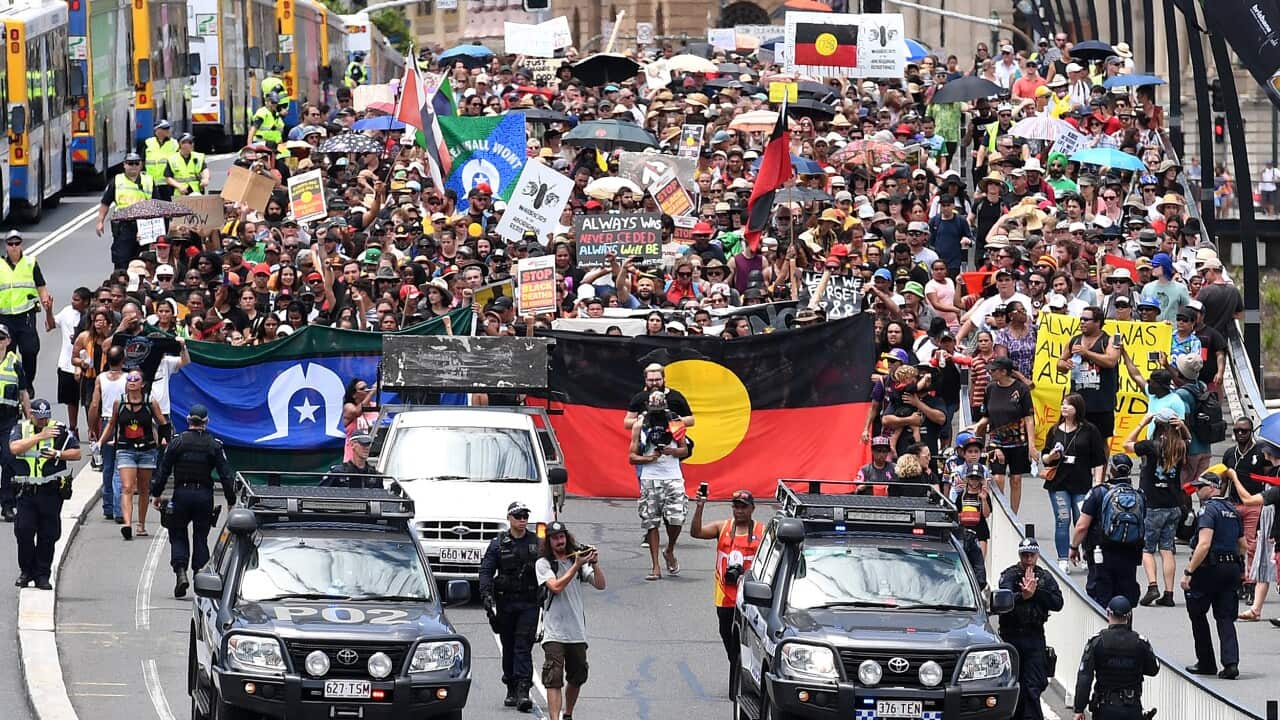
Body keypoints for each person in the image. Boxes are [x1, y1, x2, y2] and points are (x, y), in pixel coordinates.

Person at [149, 403, 235, 598]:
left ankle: (180, 572)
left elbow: (163, 470)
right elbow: (225, 475)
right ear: (206, 422)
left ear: (188, 420)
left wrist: (156, 493)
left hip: (181, 494)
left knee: (177, 533)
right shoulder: (214, 445)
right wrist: (231, 500)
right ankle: (198, 576)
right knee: (200, 536)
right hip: (204, 495)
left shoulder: (177, 442)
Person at [690, 487, 763, 695]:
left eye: (743, 507)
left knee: (745, 642)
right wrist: (699, 507)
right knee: (729, 640)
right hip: (725, 598)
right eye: (736, 506)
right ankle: (740, 678)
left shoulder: (761, 531)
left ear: (752, 509)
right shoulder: (722, 527)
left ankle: (738, 689)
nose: (739, 511)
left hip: (750, 599)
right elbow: (696, 533)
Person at [536, 521, 606, 720]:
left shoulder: (577, 560)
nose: (560, 541)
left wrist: (594, 564)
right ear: (548, 542)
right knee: (553, 678)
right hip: (554, 632)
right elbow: (556, 587)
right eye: (555, 538)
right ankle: (554, 718)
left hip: (576, 632)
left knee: (577, 676)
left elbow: (600, 585)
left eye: (562, 537)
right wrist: (576, 566)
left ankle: (568, 714)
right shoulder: (543, 564)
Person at [478, 500, 542, 712]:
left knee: (523, 645)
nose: (523, 520)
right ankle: (511, 686)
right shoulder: (498, 544)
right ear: (509, 518)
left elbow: (551, 565)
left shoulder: (536, 543)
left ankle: (524, 689)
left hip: (529, 602)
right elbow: (486, 571)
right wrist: (486, 595)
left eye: (525, 516)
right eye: (518, 516)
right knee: (509, 646)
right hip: (506, 604)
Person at [1181, 470, 1245, 679]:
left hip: (1209, 569)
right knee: (1225, 617)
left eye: (1200, 487)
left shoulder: (1208, 511)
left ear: (1212, 488)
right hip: (1232, 568)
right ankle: (1231, 663)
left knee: (1197, 613)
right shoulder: (1233, 510)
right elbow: (1243, 545)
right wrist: (1240, 567)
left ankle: (1206, 662)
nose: (1197, 491)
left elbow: (1204, 544)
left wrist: (1189, 571)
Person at [10, 399, 80, 589]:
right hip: (26, 491)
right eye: (39, 417)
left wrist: (58, 454)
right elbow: (14, 448)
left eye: (46, 417)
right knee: (24, 531)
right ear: (30, 414)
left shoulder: (59, 429)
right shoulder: (21, 429)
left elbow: (76, 453)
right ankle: (26, 571)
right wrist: (40, 437)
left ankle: (42, 575)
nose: (43, 421)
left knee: (48, 535)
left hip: (50, 492)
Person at [1123, 410, 1187, 607]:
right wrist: (1182, 427)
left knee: (1148, 549)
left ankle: (1152, 585)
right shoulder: (1181, 446)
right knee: (1167, 548)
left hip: (1152, 503)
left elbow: (1127, 444)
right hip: (1174, 503)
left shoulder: (1151, 446)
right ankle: (1169, 593)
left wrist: (1142, 423)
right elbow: (1189, 438)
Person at [629, 390, 692, 580]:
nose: (657, 414)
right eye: (653, 410)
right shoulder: (640, 424)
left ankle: (669, 549)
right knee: (651, 521)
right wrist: (649, 457)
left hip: (673, 476)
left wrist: (671, 452)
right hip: (650, 477)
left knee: (677, 519)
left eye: (659, 410)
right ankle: (655, 566)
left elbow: (685, 450)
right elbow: (631, 457)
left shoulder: (674, 421)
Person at [1041, 393, 1107, 573]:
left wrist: (1098, 483)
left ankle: (1085, 554)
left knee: (1082, 520)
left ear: (1077, 408)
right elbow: (1044, 458)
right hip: (1058, 483)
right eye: (1063, 404)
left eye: (1068, 405)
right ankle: (1062, 558)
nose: (1064, 408)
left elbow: (1099, 459)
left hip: (1082, 484)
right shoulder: (1054, 430)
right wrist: (1051, 456)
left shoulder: (1090, 430)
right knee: (1062, 519)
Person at [998, 537, 1063, 720]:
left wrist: (1037, 593)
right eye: (1025, 555)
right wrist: (1023, 596)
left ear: (1037, 556)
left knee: (1033, 686)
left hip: (1034, 637)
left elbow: (1058, 602)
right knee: (1012, 685)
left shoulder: (1044, 577)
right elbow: (1004, 599)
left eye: (1031, 555)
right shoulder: (1010, 575)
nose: (1028, 559)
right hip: (1012, 637)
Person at [98, 369, 167, 540]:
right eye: (129, 379)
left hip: (147, 449)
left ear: (142, 383)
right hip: (125, 449)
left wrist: (165, 440)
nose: (132, 381)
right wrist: (100, 442)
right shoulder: (119, 403)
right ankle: (127, 524)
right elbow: (112, 423)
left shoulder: (150, 402)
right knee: (127, 487)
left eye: (136, 379)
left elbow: (162, 422)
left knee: (144, 488)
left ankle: (141, 524)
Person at [1072, 455, 1145, 607]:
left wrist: (1073, 547)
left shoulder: (1098, 492)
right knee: (1125, 600)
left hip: (1102, 554)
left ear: (1110, 470)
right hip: (1130, 554)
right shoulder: (1139, 495)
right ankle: (1125, 629)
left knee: (1101, 599)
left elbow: (1082, 526)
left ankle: (1103, 629)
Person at [1072, 596, 1159, 720]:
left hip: (1105, 709)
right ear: (1129, 616)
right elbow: (1153, 669)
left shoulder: (1097, 642)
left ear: (1108, 613)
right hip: (1132, 708)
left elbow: (1085, 677)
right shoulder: (1140, 642)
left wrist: (1079, 708)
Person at [977, 355, 1037, 514]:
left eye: (994, 371)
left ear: (1004, 372)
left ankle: (1013, 514)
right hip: (996, 440)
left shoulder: (1021, 389)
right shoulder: (990, 388)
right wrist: (977, 427)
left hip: (1018, 441)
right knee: (998, 478)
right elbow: (986, 415)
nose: (991, 373)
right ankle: (998, 511)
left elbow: (1029, 418)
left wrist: (1032, 445)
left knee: (1016, 479)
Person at [1055, 306, 1120, 440]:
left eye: (1086, 319)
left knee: (1101, 439)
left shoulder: (1110, 340)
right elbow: (1059, 363)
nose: (1082, 322)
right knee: (1074, 437)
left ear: (1097, 322)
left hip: (1101, 403)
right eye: (1081, 319)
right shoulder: (1074, 340)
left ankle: (1102, 462)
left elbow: (1111, 361)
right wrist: (1065, 365)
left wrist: (1087, 353)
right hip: (1077, 402)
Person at [0, 230, 53, 391]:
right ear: (6, 246)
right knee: (7, 354)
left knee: (30, 351)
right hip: (4, 317)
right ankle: (10, 386)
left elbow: (41, 285)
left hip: (26, 316)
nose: (14, 247)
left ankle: (27, 383)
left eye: (17, 243)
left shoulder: (30, 262)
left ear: (21, 244)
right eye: (11, 244)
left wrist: (46, 305)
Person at [95, 153, 154, 269]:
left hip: (143, 225)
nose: (133, 166)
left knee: (143, 261)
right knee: (122, 259)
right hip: (123, 226)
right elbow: (105, 203)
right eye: (130, 163)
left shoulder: (149, 181)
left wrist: (148, 228)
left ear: (141, 165)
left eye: (136, 163)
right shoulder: (117, 181)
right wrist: (100, 221)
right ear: (124, 165)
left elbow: (156, 205)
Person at [0, 324, 33, 522]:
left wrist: (29, 417)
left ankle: (7, 504)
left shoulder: (14, 362)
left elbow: (23, 392)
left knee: (9, 459)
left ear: (8, 341)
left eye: (1, 337)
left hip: (8, 418)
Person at [50, 287, 91, 438]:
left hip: (87, 365)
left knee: (88, 401)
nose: (73, 302)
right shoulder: (67, 311)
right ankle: (73, 429)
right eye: (73, 299)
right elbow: (50, 325)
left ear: (86, 302)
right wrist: (48, 310)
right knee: (71, 400)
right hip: (67, 365)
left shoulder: (91, 316)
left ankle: (92, 430)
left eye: (77, 299)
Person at [623, 363, 694, 430]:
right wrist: (644, 420)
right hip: (646, 438)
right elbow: (627, 423)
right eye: (651, 380)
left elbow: (691, 421)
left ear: (663, 379)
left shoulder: (676, 396)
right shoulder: (639, 398)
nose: (654, 383)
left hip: (673, 435)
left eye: (657, 380)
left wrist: (674, 420)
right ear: (646, 381)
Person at [142, 120, 179, 200]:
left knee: (168, 207)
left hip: (168, 183)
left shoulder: (174, 144)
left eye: (168, 128)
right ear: (157, 130)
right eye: (165, 128)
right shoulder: (148, 143)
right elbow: (142, 161)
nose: (168, 130)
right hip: (151, 183)